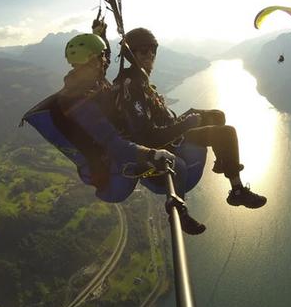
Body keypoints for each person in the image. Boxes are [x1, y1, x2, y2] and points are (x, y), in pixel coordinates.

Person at [22, 32, 206, 234]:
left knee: (165, 155)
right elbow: (114, 144)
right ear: (93, 61)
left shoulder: (90, 83)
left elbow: (105, 60)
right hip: (115, 172)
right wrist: (151, 154)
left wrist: (100, 32)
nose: (106, 60)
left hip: (115, 158)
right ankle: (180, 217)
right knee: (176, 165)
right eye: (101, 57)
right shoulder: (79, 102)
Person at [113, 27, 267, 209]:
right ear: (131, 55)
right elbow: (148, 137)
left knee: (217, 116)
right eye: (143, 51)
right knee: (226, 133)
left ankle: (222, 163)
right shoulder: (132, 86)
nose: (150, 55)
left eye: (153, 50)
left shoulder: (138, 78)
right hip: (166, 142)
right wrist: (185, 125)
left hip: (169, 126)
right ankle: (237, 191)